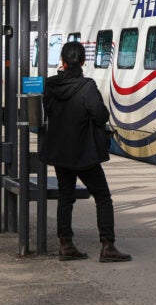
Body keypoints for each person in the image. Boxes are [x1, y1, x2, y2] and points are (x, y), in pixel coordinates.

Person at [41, 41, 131, 263]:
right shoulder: (87, 87)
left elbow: (49, 111)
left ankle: (66, 244)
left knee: (65, 197)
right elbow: (100, 116)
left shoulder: (50, 86)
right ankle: (108, 246)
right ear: (83, 61)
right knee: (103, 197)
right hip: (84, 153)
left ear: (62, 61)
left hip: (60, 152)